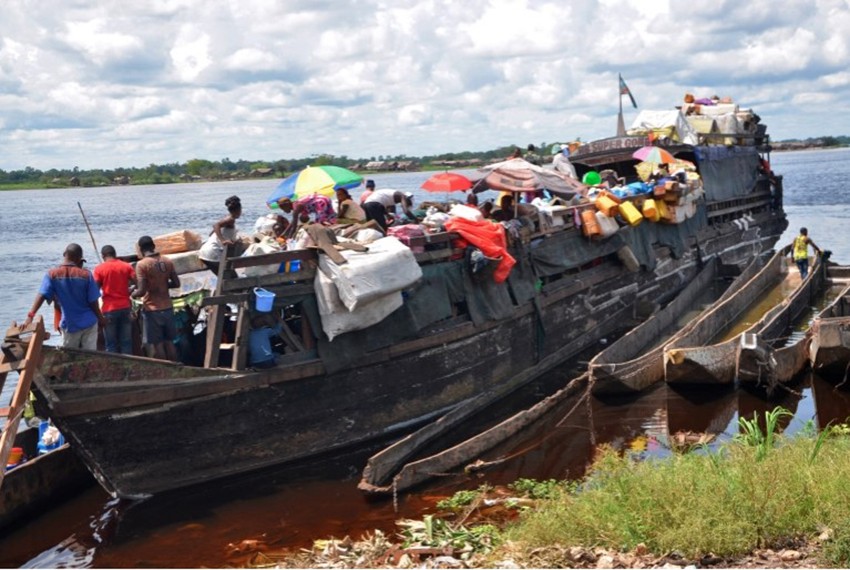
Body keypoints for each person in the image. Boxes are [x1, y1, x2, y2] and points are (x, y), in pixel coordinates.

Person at [23, 243, 104, 350]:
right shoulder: (86, 275)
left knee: (69, 356)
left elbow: (42, 295)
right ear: (79, 258)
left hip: (70, 325)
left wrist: (30, 316)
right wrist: (101, 318)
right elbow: (93, 302)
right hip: (89, 323)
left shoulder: (52, 275)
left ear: (64, 254)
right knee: (90, 356)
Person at [133, 235, 181, 361]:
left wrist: (132, 293)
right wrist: (164, 285)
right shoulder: (167, 261)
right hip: (168, 307)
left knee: (158, 344)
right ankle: (176, 369)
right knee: (170, 342)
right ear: (154, 246)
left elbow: (142, 291)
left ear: (141, 249)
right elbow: (177, 283)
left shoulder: (142, 265)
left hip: (152, 310)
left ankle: (165, 372)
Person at [93, 245, 136, 354]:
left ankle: (113, 369)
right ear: (115, 254)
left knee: (111, 344)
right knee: (126, 342)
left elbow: (94, 291)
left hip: (109, 309)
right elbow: (138, 282)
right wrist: (130, 290)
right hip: (125, 307)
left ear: (103, 256)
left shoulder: (99, 269)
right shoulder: (126, 266)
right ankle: (128, 368)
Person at [199, 195, 242, 274]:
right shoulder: (230, 219)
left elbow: (211, 233)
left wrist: (229, 241)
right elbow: (216, 226)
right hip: (212, 253)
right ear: (238, 210)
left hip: (204, 252)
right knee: (231, 277)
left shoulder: (227, 219)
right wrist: (223, 240)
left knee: (222, 278)